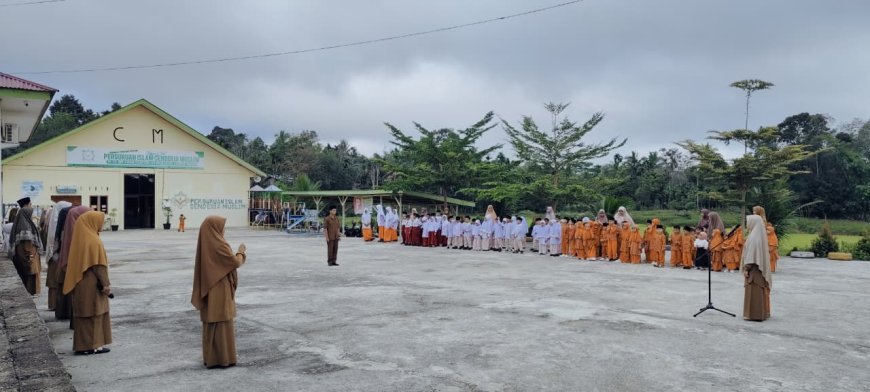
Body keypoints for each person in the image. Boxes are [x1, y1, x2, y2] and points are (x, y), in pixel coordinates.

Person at [191, 216, 246, 367]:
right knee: (222, 320)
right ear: (214, 228)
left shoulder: (207, 243)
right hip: (220, 286)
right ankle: (224, 358)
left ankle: (212, 358)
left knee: (212, 322)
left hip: (209, 287)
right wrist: (241, 252)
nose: (224, 230)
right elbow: (235, 262)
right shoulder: (219, 245)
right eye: (221, 227)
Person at [63, 211, 112, 355]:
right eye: (100, 221)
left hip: (81, 284)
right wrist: (106, 285)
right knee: (94, 314)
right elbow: (99, 265)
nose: (102, 224)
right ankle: (94, 346)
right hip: (92, 285)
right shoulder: (93, 240)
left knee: (84, 315)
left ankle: (82, 346)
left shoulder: (80, 239)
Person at [741, 215, 771, 322]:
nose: (747, 224)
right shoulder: (758, 235)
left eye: (749, 222)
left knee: (753, 293)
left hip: (754, 271)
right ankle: (760, 314)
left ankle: (754, 315)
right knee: (758, 293)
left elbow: (751, 256)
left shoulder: (754, 238)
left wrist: (746, 268)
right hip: (758, 272)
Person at [45, 201, 72, 310]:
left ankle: (56, 305)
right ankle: (54, 305)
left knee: (56, 282)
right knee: (54, 281)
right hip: (56, 257)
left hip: (55, 256)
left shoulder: (55, 221)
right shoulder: (57, 222)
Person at [11, 206, 43, 295]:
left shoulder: (21, 224)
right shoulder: (26, 226)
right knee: (29, 275)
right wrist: (30, 256)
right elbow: (27, 244)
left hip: (22, 255)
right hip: (28, 256)